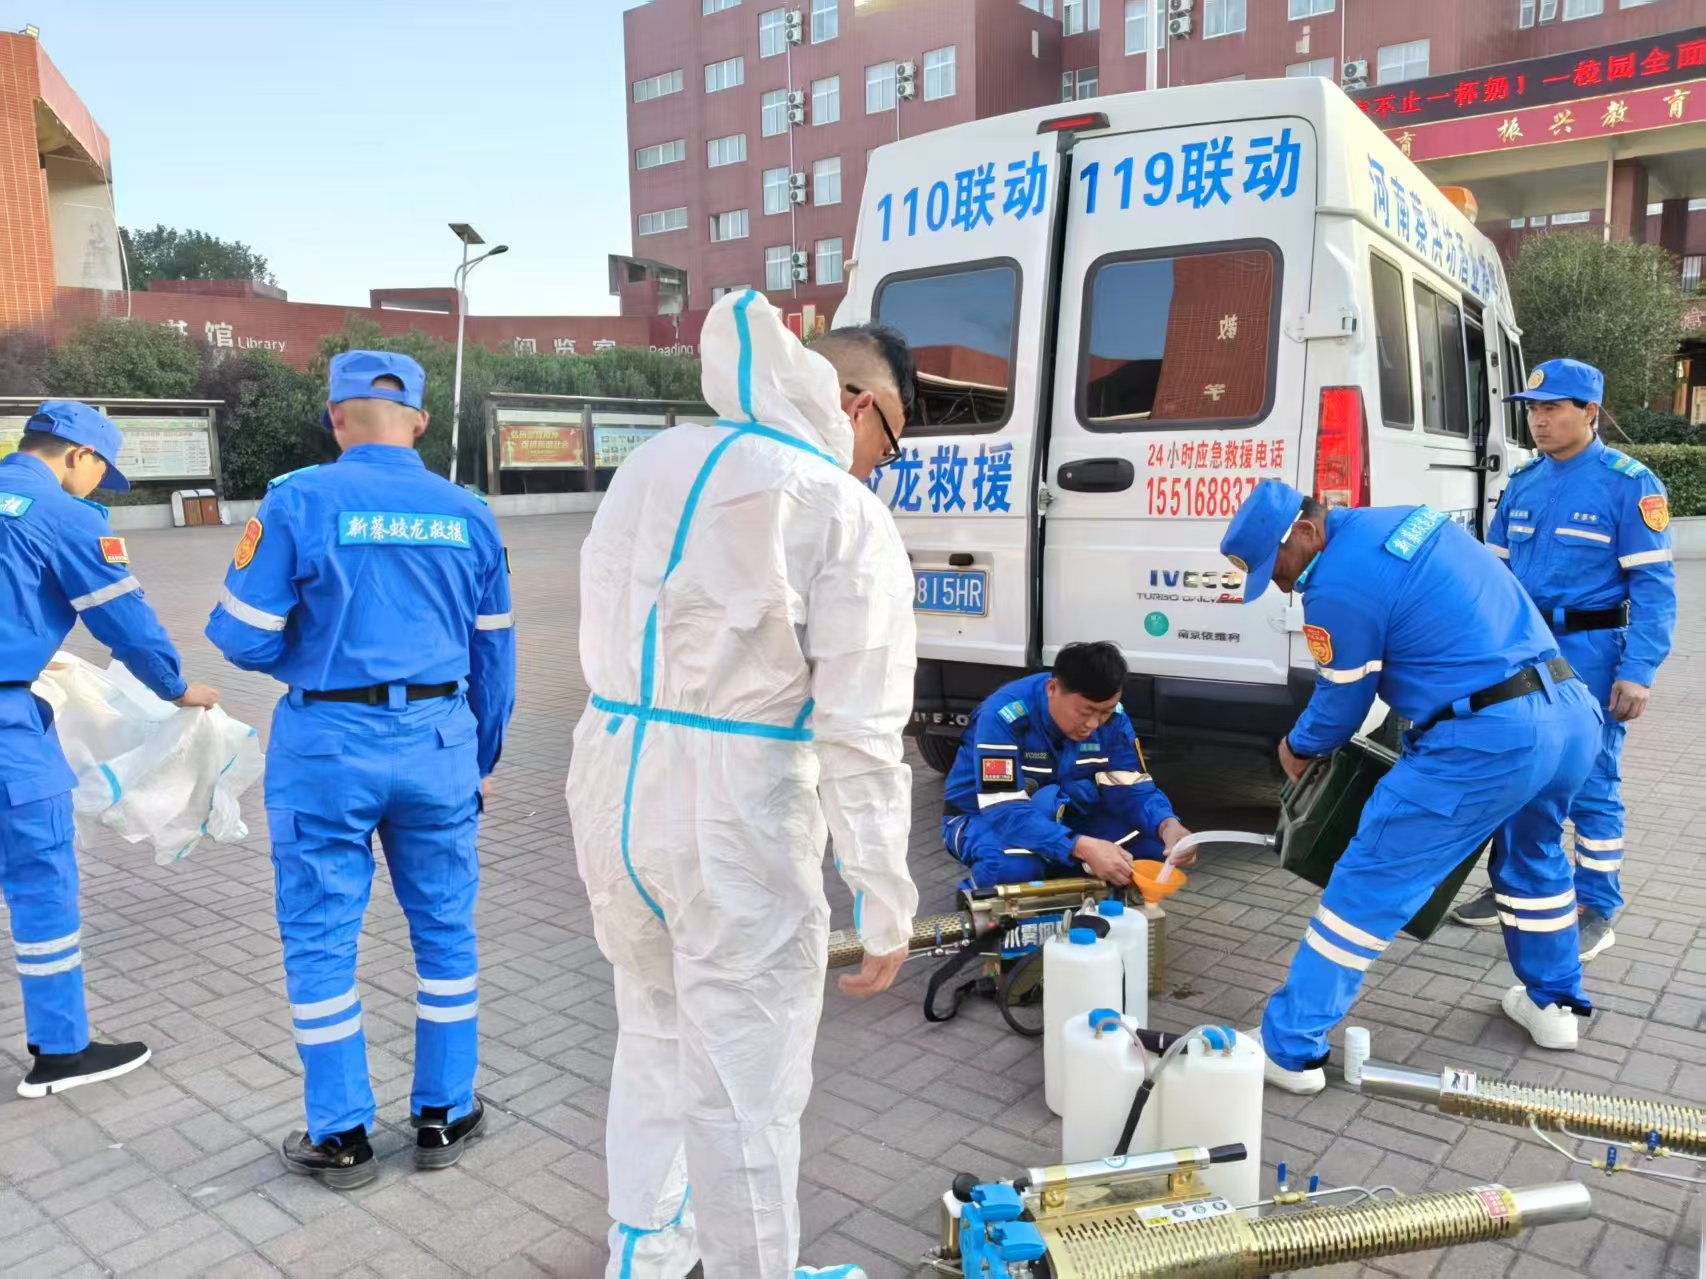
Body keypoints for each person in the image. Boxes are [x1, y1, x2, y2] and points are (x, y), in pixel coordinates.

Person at [566, 291, 918, 1279]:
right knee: (746, 1087)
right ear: (856, 402)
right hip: (735, 813)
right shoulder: (836, 507)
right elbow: (858, 729)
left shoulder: (653, 463)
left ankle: (643, 1253)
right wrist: (882, 893)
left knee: (653, 1028)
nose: (881, 462)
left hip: (614, 781)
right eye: (890, 440)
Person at [205, 351, 516, 1189]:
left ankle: (341, 1133)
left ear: (335, 418)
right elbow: (495, 654)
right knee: (444, 928)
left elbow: (240, 635)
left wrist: (316, 659)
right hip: (439, 744)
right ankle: (444, 1114)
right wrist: (479, 756)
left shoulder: (298, 499)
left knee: (320, 937)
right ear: (420, 421)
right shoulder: (468, 512)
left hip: (327, 746)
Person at [1221, 480, 1602, 1095]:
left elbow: (1341, 705)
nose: (1282, 585)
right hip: (1567, 713)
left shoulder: (1335, 584)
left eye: (1279, 567)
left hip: (1486, 739)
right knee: (1534, 859)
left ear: (1307, 531)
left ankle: (1289, 1049)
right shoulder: (1406, 521)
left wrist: (1296, 747)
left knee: (1367, 883)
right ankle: (1555, 1005)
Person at [0, 402, 221, 1098]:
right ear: (79, 455)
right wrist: (175, 687)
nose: (100, 486)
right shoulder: (65, 516)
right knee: (39, 877)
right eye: (102, 471)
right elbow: (126, 622)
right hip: (5, 723)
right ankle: (61, 1052)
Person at [1450, 359, 1674, 962]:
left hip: (1591, 655)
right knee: (1519, 770)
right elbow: (1494, 576)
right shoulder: (1524, 482)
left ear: (1589, 412)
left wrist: (1638, 672)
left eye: (1553, 408)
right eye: (1533, 409)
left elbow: (1655, 591)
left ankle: (1596, 905)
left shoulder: (1629, 484)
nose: (1539, 420)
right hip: (1523, 651)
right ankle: (1515, 887)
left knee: (1592, 781)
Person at [942, 642, 1191, 889]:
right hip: (983, 816)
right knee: (1013, 868)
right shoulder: (1003, 716)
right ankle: (978, 898)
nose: (1094, 724)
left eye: (1104, 712)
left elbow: (1130, 788)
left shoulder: (1114, 718)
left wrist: (1167, 824)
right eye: (1086, 712)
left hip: (1069, 815)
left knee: (1154, 851)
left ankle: (1067, 884)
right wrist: (1079, 847)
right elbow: (1003, 809)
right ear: (1052, 689)